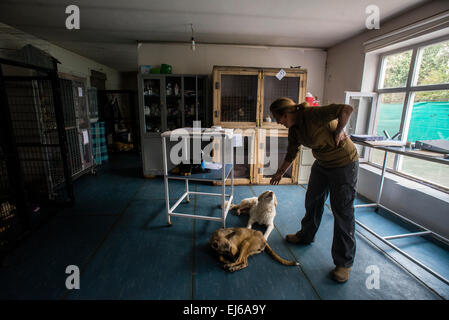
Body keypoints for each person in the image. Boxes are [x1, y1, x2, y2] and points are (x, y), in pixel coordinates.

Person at [269, 97, 359, 283]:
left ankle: (343, 263)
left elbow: (346, 109)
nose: (279, 123)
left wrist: (339, 130)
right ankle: (306, 235)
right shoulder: (294, 130)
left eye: (279, 118)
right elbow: (291, 152)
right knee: (313, 200)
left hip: (344, 163)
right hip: (323, 164)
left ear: (286, 113)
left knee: (342, 211)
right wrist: (279, 173)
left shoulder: (313, 114)